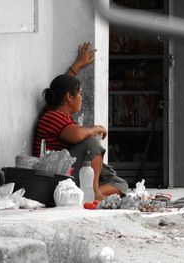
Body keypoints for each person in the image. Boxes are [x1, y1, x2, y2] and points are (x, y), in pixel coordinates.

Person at [33, 42, 128, 200]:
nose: (82, 98)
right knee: (91, 144)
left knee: (120, 184)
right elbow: (77, 135)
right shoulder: (52, 116)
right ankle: (94, 192)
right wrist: (96, 128)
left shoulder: (60, 112)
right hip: (53, 176)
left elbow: (63, 86)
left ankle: (87, 194)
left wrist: (76, 65)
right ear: (70, 97)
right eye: (80, 94)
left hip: (67, 172)